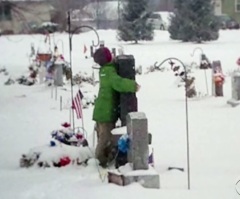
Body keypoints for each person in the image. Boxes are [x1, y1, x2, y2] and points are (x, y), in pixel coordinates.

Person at [93, 47, 140, 167]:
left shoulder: (105, 70)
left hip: (101, 110)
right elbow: (118, 83)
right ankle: (101, 162)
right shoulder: (109, 72)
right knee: (105, 139)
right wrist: (133, 85)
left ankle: (104, 159)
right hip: (106, 113)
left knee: (103, 138)